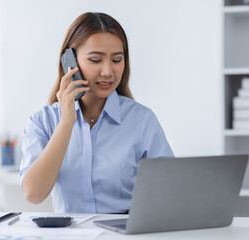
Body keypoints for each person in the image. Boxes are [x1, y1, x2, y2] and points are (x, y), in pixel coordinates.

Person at [19, 12, 174, 214]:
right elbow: (34, 194)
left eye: (117, 60)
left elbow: (172, 192)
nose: (108, 71)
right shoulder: (43, 121)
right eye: (95, 60)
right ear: (70, 62)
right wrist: (66, 122)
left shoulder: (141, 120)